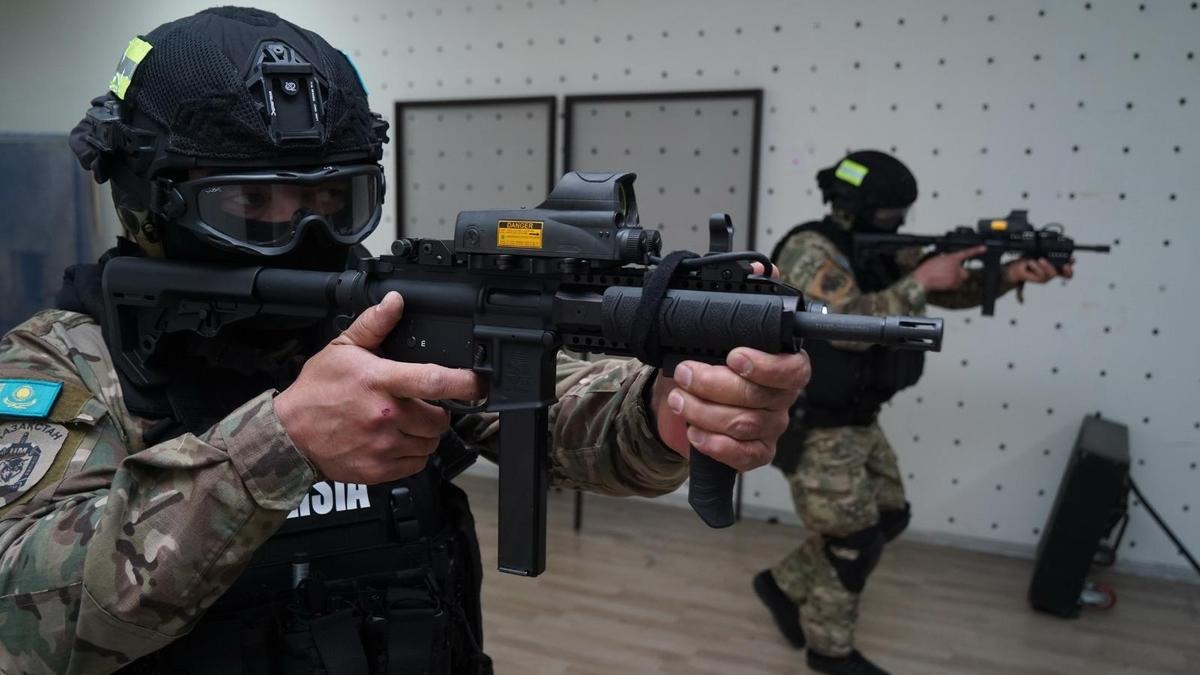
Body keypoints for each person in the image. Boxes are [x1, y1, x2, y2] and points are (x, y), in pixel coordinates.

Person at [0, 8, 810, 674]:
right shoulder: (65, 363)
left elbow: (554, 409)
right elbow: (24, 618)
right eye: (252, 205)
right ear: (150, 202)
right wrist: (278, 444)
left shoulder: (381, 318)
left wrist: (665, 410)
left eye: (334, 201)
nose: (309, 235)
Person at [753, 150, 1073, 675]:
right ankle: (830, 653)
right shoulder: (809, 249)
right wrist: (921, 278)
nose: (897, 223)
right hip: (815, 424)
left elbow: (950, 288)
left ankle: (782, 584)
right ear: (855, 206)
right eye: (888, 214)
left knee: (888, 516)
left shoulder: (880, 247)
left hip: (858, 417)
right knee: (853, 541)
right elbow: (847, 325)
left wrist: (1013, 272)